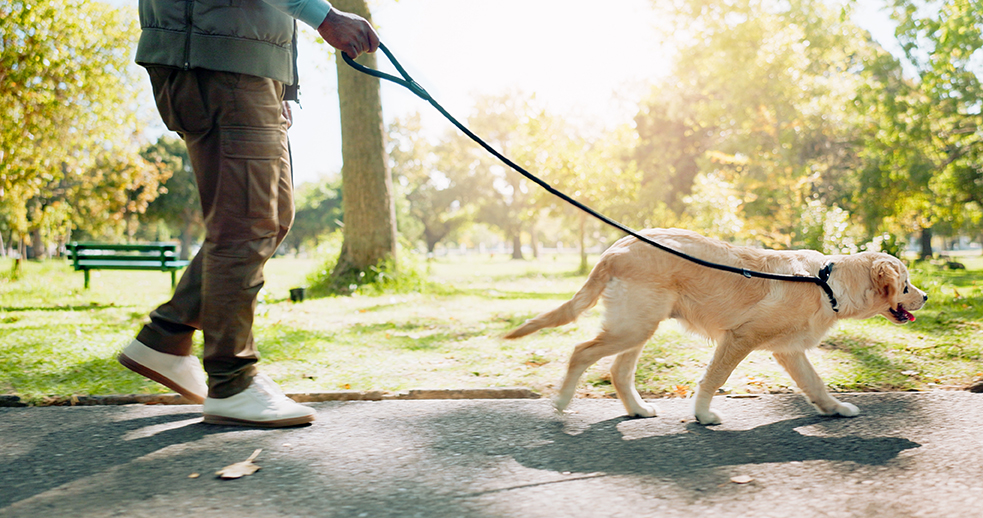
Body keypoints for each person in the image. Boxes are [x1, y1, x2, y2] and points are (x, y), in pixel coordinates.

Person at [118, 0, 379, 427]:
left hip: (241, 60)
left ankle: (166, 337)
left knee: (272, 215)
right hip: (221, 56)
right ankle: (232, 381)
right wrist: (325, 17)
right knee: (246, 222)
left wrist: (280, 85)